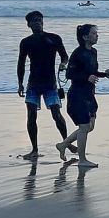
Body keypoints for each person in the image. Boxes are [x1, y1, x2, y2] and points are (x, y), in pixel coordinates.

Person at [55, 25, 109, 168]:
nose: (97, 35)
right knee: (84, 127)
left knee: (90, 126)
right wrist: (86, 77)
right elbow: (69, 74)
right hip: (77, 95)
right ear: (85, 37)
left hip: (89, 94)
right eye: (94, 33)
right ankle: (82, 160)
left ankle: (63, 144)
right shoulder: (78, 53)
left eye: (97, 33)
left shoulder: (93, 52)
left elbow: (92, 72)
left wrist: (105, 74)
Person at [17, 11, 73, 160]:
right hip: (33, 84)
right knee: (31, 116)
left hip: (50, 84)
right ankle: (34, 149)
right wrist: (20, 84)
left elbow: (65, 56)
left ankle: (66, 142)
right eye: (34, 21)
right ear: (28, 24)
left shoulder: (53, 38)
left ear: (43, 21)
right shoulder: (26, 42)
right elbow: (21, 63)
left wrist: (63, 64)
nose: (37, 23)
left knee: (56, 114)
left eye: (39, 20)